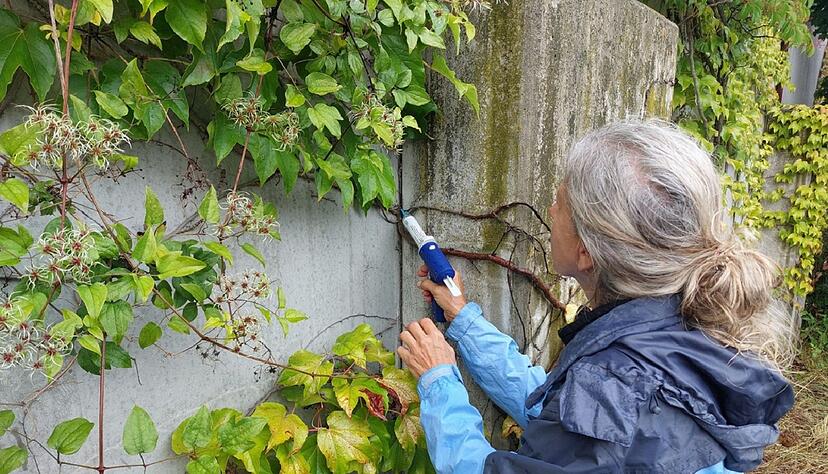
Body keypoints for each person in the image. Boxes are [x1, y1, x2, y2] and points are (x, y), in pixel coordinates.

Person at [396, 120, 795, 473]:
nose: (550, 211)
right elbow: (559, 414)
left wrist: (439, 380)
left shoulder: (615, 387)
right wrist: (465, 323)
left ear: (586, 252)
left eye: (560, 202)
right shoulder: (678, 325)